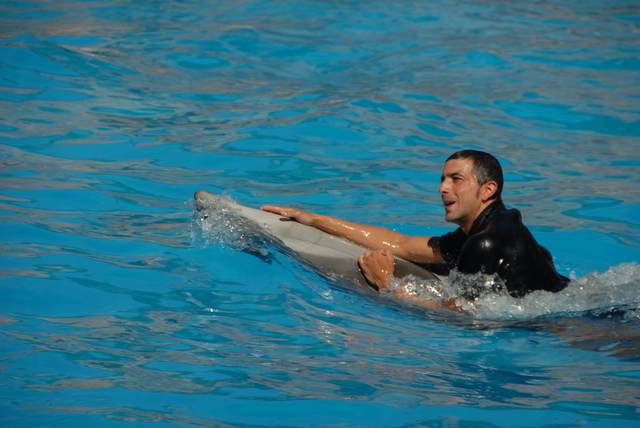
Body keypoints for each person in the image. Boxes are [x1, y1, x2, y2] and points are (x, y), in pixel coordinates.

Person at [261, 150, 569, 310]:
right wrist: (313, 219)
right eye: (442, 179)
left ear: (488, 189)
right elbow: (403, 244)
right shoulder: (482, 230)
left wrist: (386, 282)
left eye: (455, 180)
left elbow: (454, 318)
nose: (442, 188)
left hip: (566, 329)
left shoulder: (485, 243)